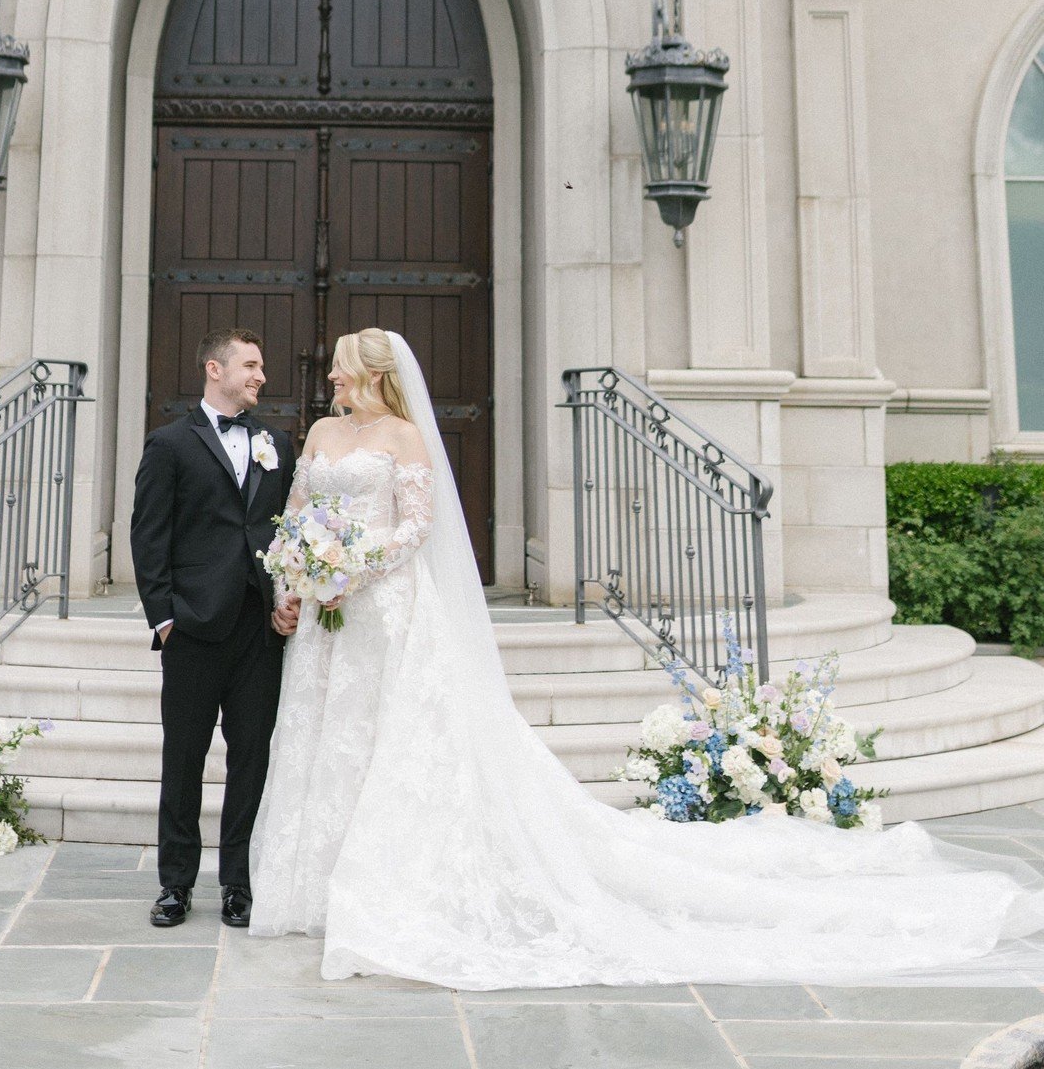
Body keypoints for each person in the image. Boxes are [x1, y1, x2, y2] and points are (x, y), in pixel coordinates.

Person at [249, 326, 1044, 989]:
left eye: (342, 373)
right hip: (326, 621)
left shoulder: (404, 435)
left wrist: (348, 571)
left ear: (374, 378)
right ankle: (314, 882)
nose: (332, 382)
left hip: (384, 609)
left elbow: (413, 527)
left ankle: (390, 883)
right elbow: (298, 513)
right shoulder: (320, 435)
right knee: (328, 739)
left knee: (394, 743)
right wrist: (298, 577)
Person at [130, 327, 299, 931]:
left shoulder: (276, 443)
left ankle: (238, 884)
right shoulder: (170, 443)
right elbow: (149, 537)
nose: (260, 376)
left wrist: (289, 598)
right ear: (214, 369)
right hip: (194, 629)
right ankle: (175, 885)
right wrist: (165, 618)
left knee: (251, 760)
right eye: (250, 366)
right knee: (184, 760)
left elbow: (288, 532)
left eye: (260, 367)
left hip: (259, 630)